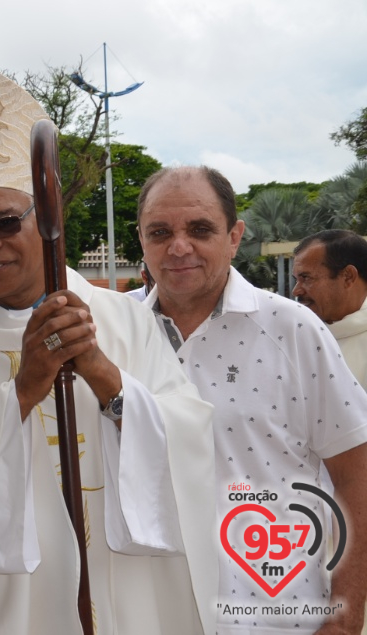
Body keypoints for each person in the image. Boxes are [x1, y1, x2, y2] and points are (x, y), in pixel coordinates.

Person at [0, 60, 217, 635]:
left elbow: (192, 440)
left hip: (126, 590)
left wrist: (106, 376)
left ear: (46, 219)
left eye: (6, 222)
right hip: (10, 606)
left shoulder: (123, 323)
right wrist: (25, 389)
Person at [137, 166, 367, 633]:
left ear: (234, 236)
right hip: (150, 613)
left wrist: (345, 618)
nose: (178, 247)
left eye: (199, 229)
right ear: (141, 239)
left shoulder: (293, 330)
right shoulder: (117, 336)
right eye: (160, 232)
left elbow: (357, 478)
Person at [293, 229, 367, 386]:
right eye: (296, 280)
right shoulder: (296, 335)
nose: (296, 290)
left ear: (348, 276)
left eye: (306, 278)